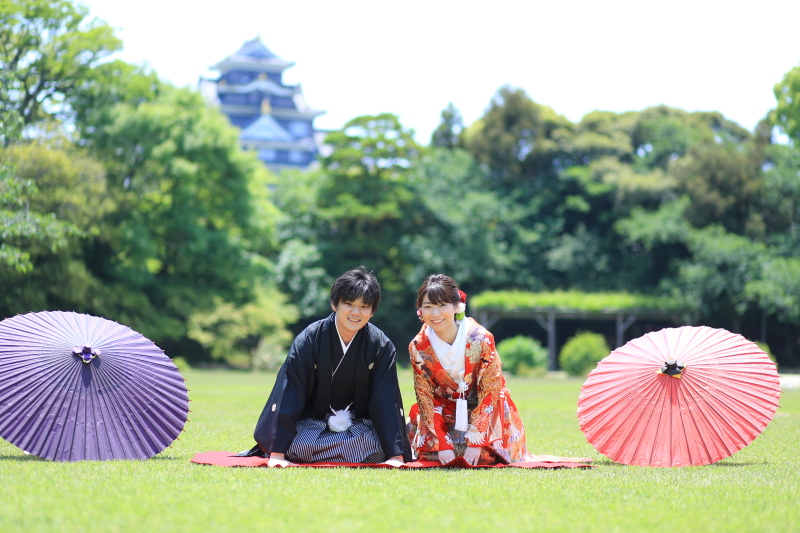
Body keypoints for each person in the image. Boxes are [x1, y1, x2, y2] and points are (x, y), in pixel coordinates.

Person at [408, 274, 590, 466]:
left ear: (456, 306)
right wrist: (441, 444)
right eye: (428, 307)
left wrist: (476, 440)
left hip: (487, 409)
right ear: (420, 310)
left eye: (442, 305)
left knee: (485, 456)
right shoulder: (418, 347)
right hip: (443, 412)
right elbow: (425, 396)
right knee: (433, 453)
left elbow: (490, 391)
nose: (435, 314)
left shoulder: (481, 339)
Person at [243, 266, 411, 467]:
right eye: (349, 304)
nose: (356, 312)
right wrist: (278, 454)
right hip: (311, 424)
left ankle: (327, 452)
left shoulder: (380, 345)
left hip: (357, 426)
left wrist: (395, 456)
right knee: (297, 445)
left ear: (372, 311)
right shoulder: (310, 339)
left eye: (364, 306)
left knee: (376, 445)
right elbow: (290, 392)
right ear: (334, 304)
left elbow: (386, 399)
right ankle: (334, 452)